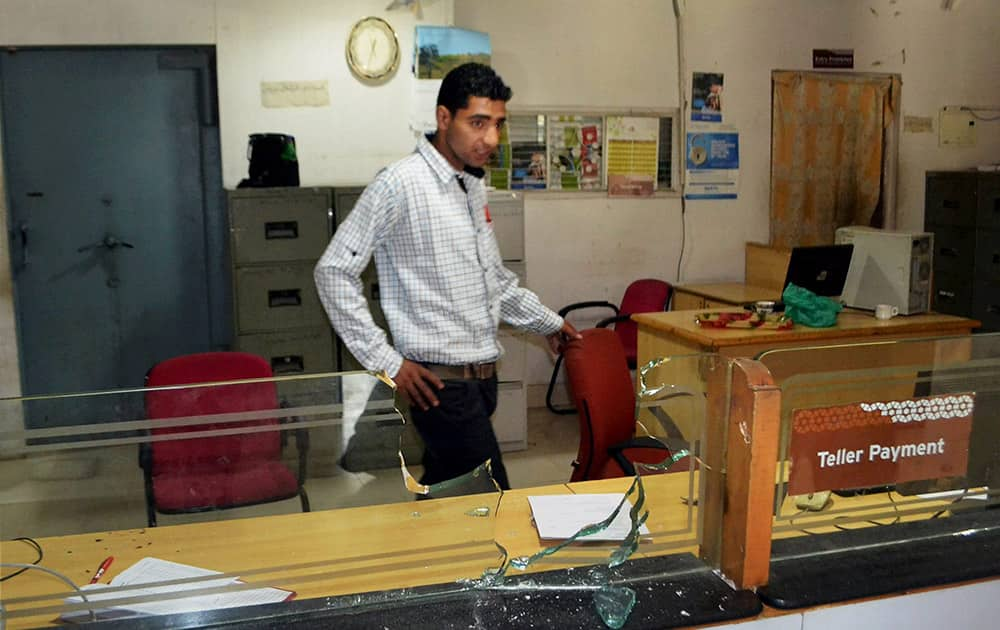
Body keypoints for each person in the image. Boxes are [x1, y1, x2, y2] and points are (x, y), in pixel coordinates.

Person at [314, 63, 580, 493]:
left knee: (446, 495)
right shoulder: (399, 185)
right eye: (478, 123)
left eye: (497, 125)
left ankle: (413, 552)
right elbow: (333, 271)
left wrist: (548, 320)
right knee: (496, 503)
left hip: (481, 382)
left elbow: (493, 282)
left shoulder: (470, 186)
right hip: (440, 388)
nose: (491, 139)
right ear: (443, 118)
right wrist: (388, 362)